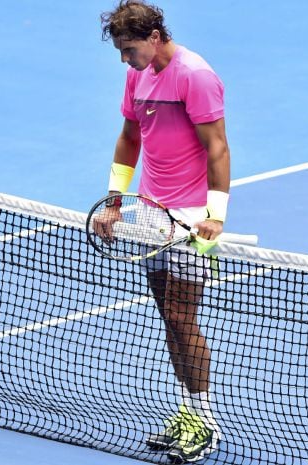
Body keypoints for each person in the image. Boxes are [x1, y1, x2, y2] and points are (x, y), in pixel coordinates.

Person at [97, 1, 230, 463]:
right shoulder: (137, 74)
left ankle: (205, 422)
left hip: (192, 214)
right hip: (151, 211)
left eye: (129, 50)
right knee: (167, 316)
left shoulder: (195, 75)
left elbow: (218, 147)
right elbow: (129, 137)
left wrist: (216, 214)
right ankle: (188, 412)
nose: (124, 60)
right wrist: (115, 203)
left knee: (181, 315)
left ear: (154, 37)